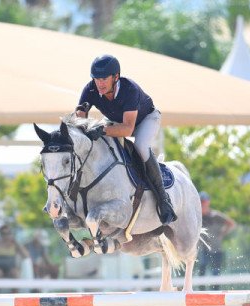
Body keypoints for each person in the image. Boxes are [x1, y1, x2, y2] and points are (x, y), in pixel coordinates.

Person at [75, 54, 176, 225]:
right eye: (96, 79)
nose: (99, 83)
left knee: (141, 146)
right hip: (116, 121)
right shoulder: (90, 89)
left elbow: (127, 129)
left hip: (145, 120)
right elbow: (80, 118)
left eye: (103, 78)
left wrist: (101, 129)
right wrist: (82, 128)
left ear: (115, 77)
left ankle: (163, 198)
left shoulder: (129, 90)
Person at [197, 192, 236, 287]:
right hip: (203, 248)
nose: (202, 204)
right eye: (201, 202)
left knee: (216, 272)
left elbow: (231, 223)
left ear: (208, 202)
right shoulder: (197, 216)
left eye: (204, 202)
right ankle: (200, 294)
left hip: (216, 248)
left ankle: (216, 293)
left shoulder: (215, 215)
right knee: (202, 270)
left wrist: (222, 233)